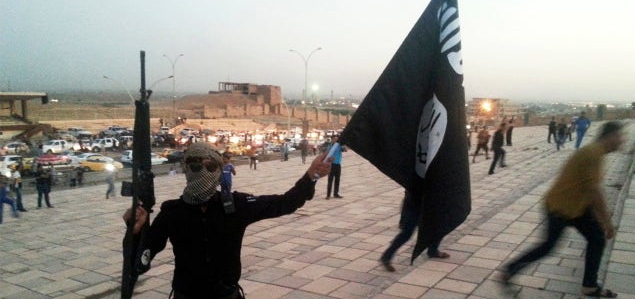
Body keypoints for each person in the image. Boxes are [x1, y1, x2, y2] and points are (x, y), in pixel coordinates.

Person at [122, 142, 332, 298]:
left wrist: (311, 176)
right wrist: (135, 232)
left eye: (210, 166)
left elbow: (285, 203)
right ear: (186, 169)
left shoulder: (236, 206)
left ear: (219, 170)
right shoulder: (172, 213)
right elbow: (141, 261)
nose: (203, 171)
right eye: (195, 166)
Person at [501, 121, 624, 298]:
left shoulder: (596, 153)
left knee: (596, 239)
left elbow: (589, 189)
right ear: (610, 136)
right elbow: (595, 191)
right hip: (560, 207)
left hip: (577, 207)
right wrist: (607, 222)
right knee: (548, 247)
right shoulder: (593, 153)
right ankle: (509, 270)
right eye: (620, 136)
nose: (622, 140)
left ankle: (589, 285)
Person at [380, 190, 449, 272]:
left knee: (438, 226)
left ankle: (433, 250)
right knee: (406, 233)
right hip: (413, 204)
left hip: (430, 202)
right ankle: (386, 256)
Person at [326, 134, 346, 199]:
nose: (335, 140)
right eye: (334, 139)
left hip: (338, 165)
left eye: (336, 139)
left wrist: (342, 145)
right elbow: (327, 154)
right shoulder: (330, 146)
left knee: (337, 180)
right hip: (331, 165)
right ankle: (328, 195)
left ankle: (336, 194)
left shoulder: (339, 146)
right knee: (330, 180)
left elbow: (345, 150)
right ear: (332, 139)